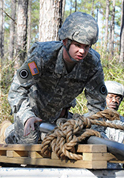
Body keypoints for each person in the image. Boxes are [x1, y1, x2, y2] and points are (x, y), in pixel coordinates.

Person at [1, 12, 107, 144]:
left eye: (87, 47)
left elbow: (97, 103)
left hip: (59, 116)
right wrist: (26, 116)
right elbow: (17, 90)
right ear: (65, 41)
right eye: (78, 45)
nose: (82, 51)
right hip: (31, 113)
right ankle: (8, 130)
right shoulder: (42, 55)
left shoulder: (92, 63)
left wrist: (97, 132)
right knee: (29, 142)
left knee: (86, 140)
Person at [105, 81, 124, 169]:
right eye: (110, 97)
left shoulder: (122, 121)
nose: (114, 100)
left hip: (119, 167)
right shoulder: (91, 119)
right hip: (99, 164)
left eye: (117, 98)